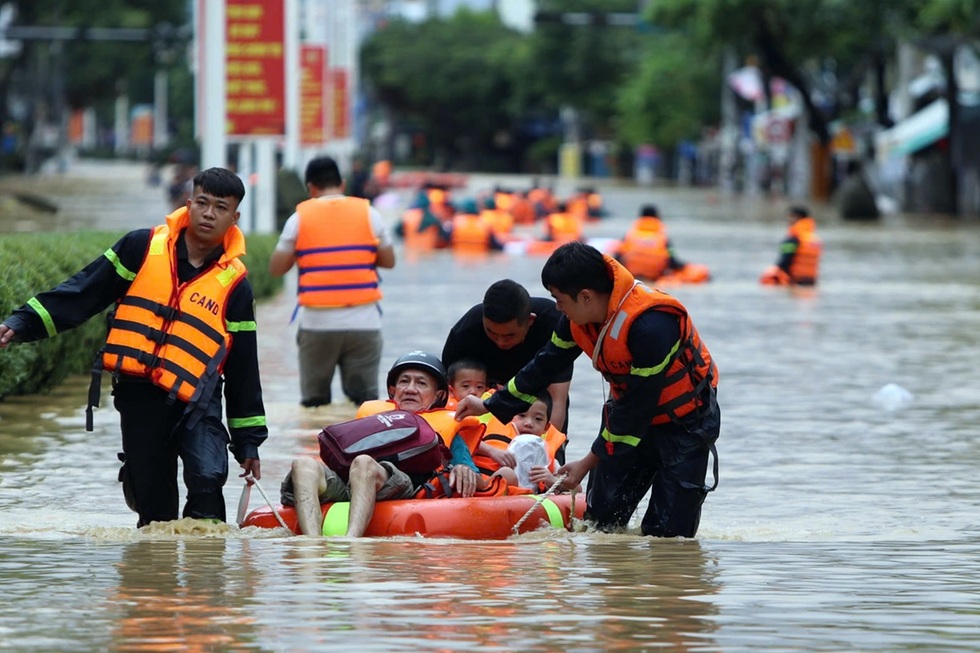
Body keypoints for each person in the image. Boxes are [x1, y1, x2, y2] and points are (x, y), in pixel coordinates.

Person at [0, 167, 268, 527]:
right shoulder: (140, 247)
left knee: (207, 480)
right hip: (140, 396)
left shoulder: (235, 286)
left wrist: (248, 443)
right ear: (188, 204)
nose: (208, 213)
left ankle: (205, 575)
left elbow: (243, 370)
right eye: (202, 203)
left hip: (198, 401)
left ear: (234, 218)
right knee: (155, 511)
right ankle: (154, 576)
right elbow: (83, 291)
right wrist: (20, 323)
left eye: (220, 208)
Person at [455, 242, 720, 538]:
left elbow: (636, 408)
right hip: (626, 421)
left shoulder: (652, 326)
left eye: (559, 299)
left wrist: (586, 462)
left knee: (668, 534)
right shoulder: (574, 321)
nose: (556, 307)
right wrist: (490, 405)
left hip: (684, 426)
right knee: (600, 522)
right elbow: (544, 365)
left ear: (585, 297)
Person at [280, 351, 486, 537]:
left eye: (421, 384)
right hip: (350, 483)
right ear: (392, 390)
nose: (411, 389)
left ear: (439, 395)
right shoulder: (374, 415)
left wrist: (463, 468)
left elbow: (473, 475)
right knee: (304, 464)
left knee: (363, 463)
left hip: (404, 485)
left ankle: (352, 542)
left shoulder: (448, 425)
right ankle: (309, 544)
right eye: (404, 382)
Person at [269, 155, 396, 408]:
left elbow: (276, 269)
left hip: (317, 325)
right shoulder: (370, 214)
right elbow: (389, 261)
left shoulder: (298, 219)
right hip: (365, 324)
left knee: (315, 405)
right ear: (343, 183)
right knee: (365, 404)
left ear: (310, 188)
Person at [441, 279, 574, 450]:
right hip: (484, 416)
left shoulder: (553, 323)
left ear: (530, 321)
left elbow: (557, 399)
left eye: (509, 336)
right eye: (491, 332)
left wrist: (549, 450)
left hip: (537, 405)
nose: (500, 342)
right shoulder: (464, 333)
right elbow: (447, 395)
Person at [473, 392, 570, 493]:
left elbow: (576, 488)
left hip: (521, 502)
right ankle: (483, 487)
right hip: (486, 486)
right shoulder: (490, 434)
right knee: (507, 473)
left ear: (546, 427)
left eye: (538, 419)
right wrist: (490, 451)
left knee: (508, 474)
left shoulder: (545, 458)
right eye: (522, 415)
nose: (529, 423)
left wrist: (552, 480)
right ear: (509, 416)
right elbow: (468, 443)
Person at [616, 204, 686, 281]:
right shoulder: (664, 238)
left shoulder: (628, 236)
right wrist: (684, 266)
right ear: (658, 217)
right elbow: (673, 262)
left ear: (640, 217)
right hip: (654, 277)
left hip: (632, 276)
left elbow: (617, 258)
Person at [761, 205, 822, 286]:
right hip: (811, 283)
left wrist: (772, 273)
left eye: (790, 217)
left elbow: (785, 261)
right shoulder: (815, 239)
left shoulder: (793, 238)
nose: (788, 221)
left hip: (795, 281)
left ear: (797, 217)